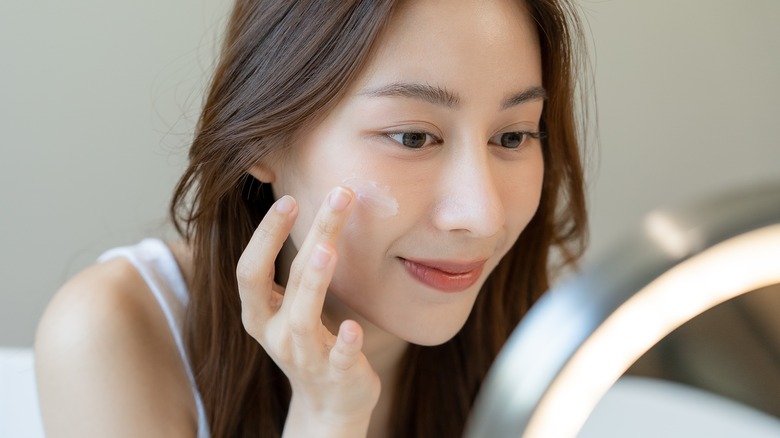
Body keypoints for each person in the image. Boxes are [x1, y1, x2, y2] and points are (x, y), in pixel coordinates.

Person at [34, 0, 588, 436]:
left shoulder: (534, 336)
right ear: (262, 136)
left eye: (512, 136)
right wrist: (327, 418)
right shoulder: (113, 332)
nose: (482, 215)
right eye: (413, 136)